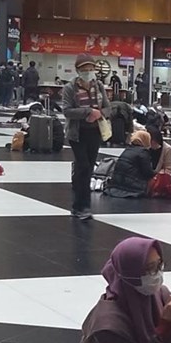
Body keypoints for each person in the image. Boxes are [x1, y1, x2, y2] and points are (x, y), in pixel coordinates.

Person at [62, 56, 111, 220]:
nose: (88, 73)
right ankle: (79, 206)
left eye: (91, 69)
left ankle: (84, 206)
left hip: (95, 132)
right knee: (82, 166)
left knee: (88, 168)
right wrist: (88, 112)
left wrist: (99, 114)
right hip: (77, 133)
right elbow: (67, 111)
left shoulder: (98, 86)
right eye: (85, 70)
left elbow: (107, 107)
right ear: (78, 71)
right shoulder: (70, 88)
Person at [105, 130, 154, 198]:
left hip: (116, 184)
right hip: (133, 186)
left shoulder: (128, 149)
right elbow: (147, 173)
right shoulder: (143, 152)